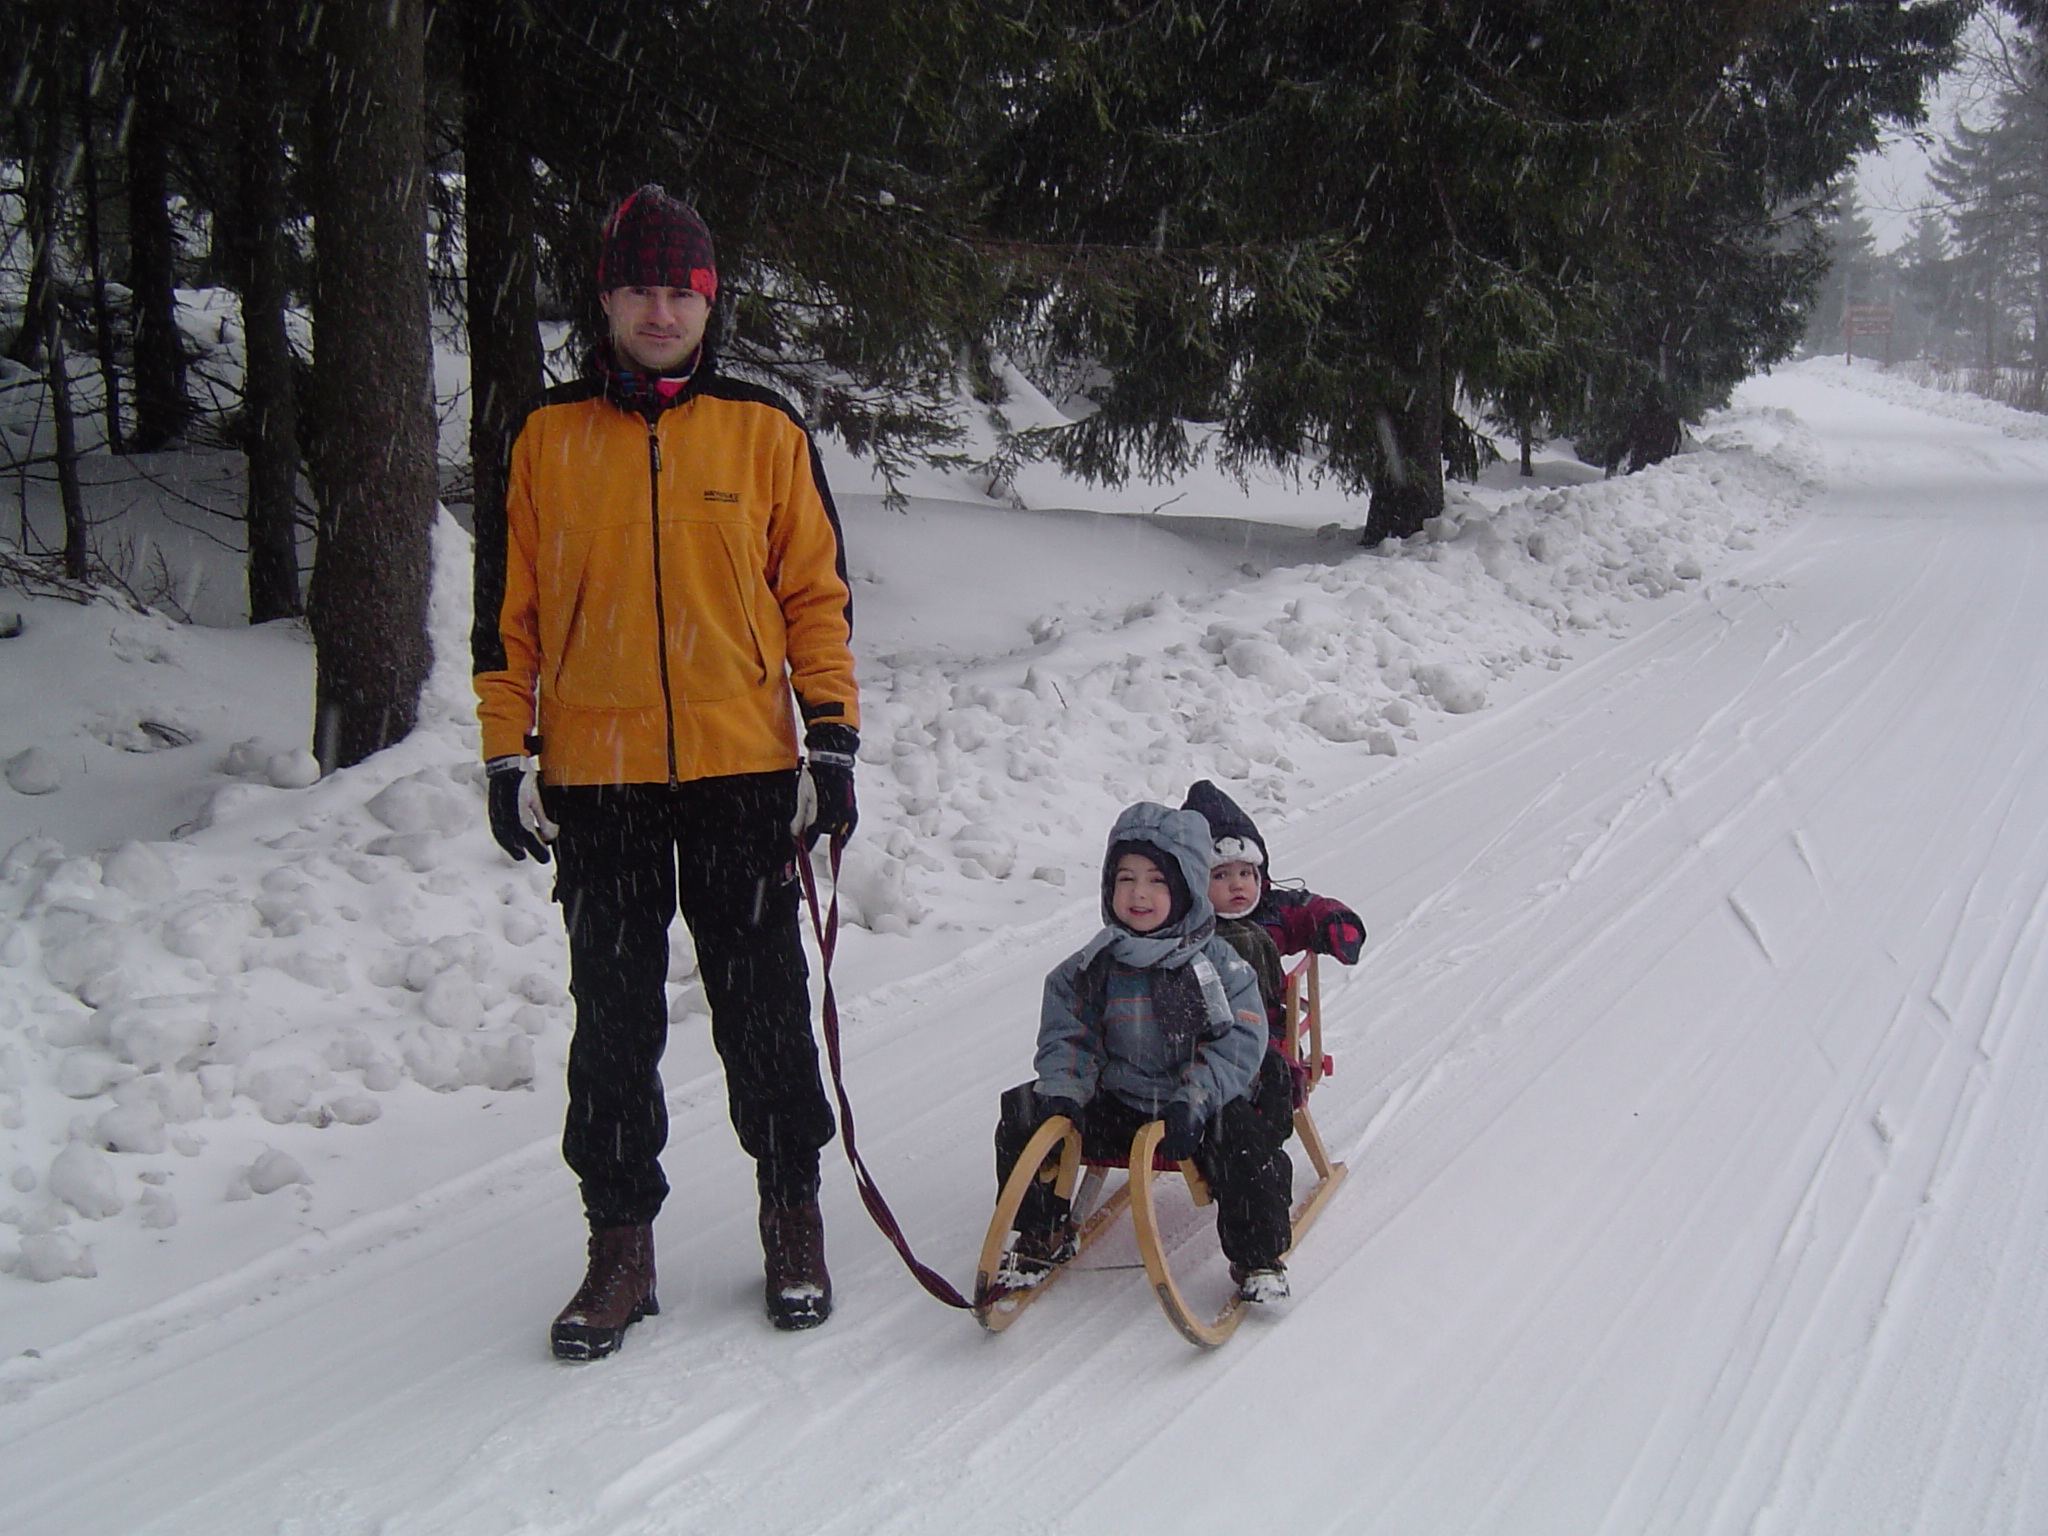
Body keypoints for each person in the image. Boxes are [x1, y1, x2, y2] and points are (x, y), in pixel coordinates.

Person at [473, 185, 859, 1360]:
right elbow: (509, 623)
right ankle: (620, 1244)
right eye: (636, 287)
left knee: (763, 1010)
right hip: (601, 782)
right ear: (603, 299)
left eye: (678, 289)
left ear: (708, 302)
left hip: (742, 772)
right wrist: (505, 751)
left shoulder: (761, 429)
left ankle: (791, 1208)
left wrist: (830, 741)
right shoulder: (544, 438)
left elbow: (815, 597)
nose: (657, 308)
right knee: (613, 1024)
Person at [991, 802, 1296, 1303]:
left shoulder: (1215, 963)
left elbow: (1240, 1040)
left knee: (1246, 1144)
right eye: (1126, 878)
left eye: (1157, 880)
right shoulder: (1094, 966)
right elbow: (1070, 1034)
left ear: (1187, 889)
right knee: (1023, 1115)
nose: (1139, 894)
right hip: (1121, 1100)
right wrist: (1065, 1091)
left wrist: (1197, 1097)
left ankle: (1258, 1257)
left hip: (1194, 1108)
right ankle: (1041, 1230)